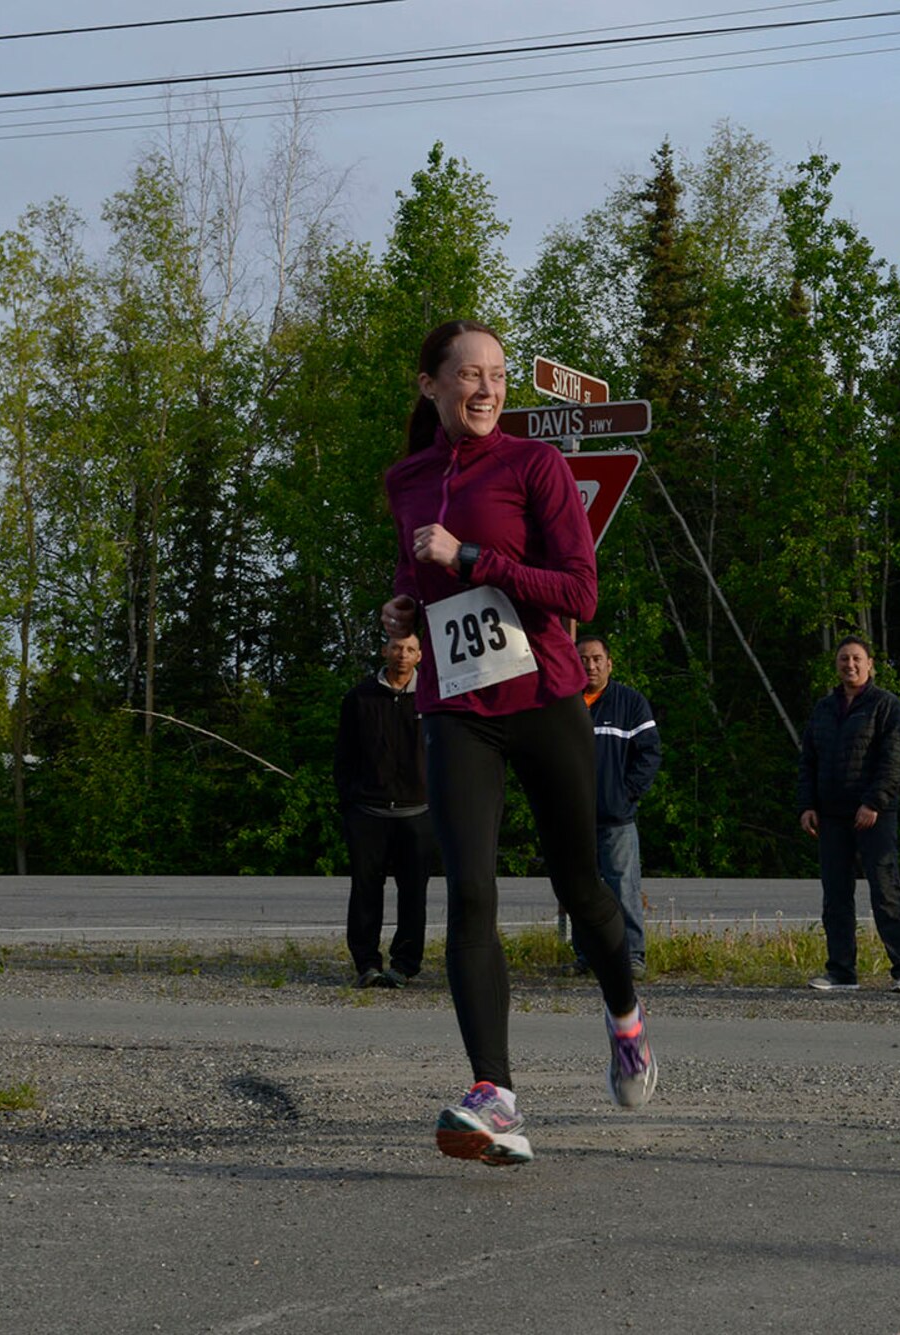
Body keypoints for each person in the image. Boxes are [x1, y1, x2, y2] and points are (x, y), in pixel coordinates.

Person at [380, 319, 655, 1169]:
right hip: (457, 710)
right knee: (470, 891)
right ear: (430, 384)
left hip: (544, 696)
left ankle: (625, 1016)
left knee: (583, 886)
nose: (489, 389)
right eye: (470, 375)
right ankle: (493, 1092)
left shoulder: (535, 466)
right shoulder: (407, 479)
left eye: (499, 374)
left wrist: (472, 559)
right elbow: (411, 577)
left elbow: (579, 588)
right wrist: (397, 612)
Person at [796, 635, 900, 994]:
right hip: (830, 816)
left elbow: (894, 760)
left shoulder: (886, 706)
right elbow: (808, 760)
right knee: (835, 896)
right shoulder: (824, 708)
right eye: (843, 660)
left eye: (856, 659)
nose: (849, 665)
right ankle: (841, 971)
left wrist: (874, 802)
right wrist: (807, 805)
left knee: (885, 892)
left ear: (870, 665)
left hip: (874, 816)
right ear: (836, 666)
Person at [332, 632, 436, 990]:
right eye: (395, 648)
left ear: (420, 655)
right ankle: (366, 963)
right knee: (365, 891)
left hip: (418, 813)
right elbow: (343, 757)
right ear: (383, 651)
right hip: (368, 812)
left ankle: (405, 965)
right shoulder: (360, 697)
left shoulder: (432, 697)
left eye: (409, 649)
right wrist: (350, 803)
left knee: (413, 894)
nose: (402, 655)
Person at [577, 633, 662, 978]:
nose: (591, 665)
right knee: (582, 893)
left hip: (616, 819)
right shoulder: (563, 704)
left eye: (597, 659)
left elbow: (650, 753)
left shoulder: (630, 702)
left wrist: (625, 794)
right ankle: (587, 956)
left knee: (623, 889)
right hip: (573, 820)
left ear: (609, 663)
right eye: (583, 659)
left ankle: (632, 956)